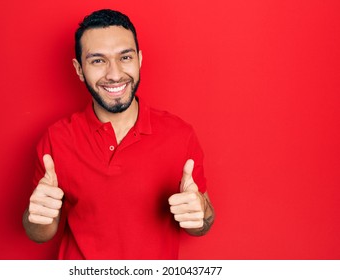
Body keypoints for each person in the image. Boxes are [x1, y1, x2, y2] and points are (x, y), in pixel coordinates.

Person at [22, 9, 215, 260]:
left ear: (140, 60)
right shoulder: (57, 138)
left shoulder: (180, 134)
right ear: (79, 69)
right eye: (98, 60)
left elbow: (204, 222)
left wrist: (199, 214)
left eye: (125, 57)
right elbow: (39, 232)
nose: (114, 74)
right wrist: (36, 217)